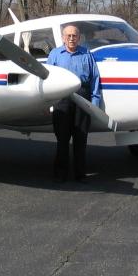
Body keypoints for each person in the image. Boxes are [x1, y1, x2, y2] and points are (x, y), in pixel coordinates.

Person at [46, 23, 102, 182]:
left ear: (79, 38)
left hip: (82, 97)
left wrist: (95, 104)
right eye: (68, 36)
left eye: (74, 35)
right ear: (63, 38)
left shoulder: (86, 54)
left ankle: (80, 174)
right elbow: (46, 79)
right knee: (62, 138)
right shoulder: (55, 55)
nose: (71, 38)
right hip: (61, 99)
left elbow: (95, 78)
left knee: (81, 137)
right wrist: (47, 102)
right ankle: (60, 173)